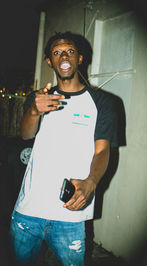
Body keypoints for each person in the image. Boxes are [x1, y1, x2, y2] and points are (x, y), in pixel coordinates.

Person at [9, 31, 118, 266]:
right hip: (28, 210)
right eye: (56, 53)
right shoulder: (39, 98)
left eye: (69, 50)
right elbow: (26, 133)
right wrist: (34, 110)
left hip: (70, 214)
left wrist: (91, 182)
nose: (63, 56)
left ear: (79, 58)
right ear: (50, 61)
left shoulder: (103, 103)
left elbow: (102, 151)